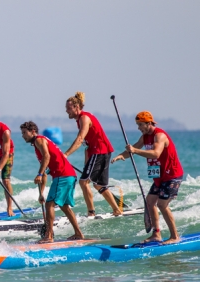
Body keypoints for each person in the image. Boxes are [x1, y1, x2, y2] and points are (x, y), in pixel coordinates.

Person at [112, 111, 184, 244]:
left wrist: (135, 151)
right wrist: (122, 155)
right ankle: (156, 234)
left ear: (149, 123)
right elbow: (133, 149)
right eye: (137, 125)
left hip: (171, 175)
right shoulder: (144, 137)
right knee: (150, 202)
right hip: (159, 176)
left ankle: (175, 236)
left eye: (140, 125)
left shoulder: (160, 136)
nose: (138, 128)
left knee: (162, 205)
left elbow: (155, 154)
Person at [20, 121, 84, 243]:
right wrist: (41, 192)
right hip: (69, 175)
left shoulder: (39, 140)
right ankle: (78, 233)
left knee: (49, 204)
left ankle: (49, 236)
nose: (23, 135)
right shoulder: (37, 144)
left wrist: (38, 173)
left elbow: (47, 157)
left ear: (33, 132)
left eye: (24, 133)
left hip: (63, 175)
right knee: (64, 206)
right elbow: (45, 171)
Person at [63, 91, 122, 217]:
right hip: (100, 151)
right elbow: (87, 144)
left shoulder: (84, 118)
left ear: (76, 107)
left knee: (83, 182)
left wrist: (66, 154)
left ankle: (91, 213)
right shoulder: (79, 119)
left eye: (68, 108)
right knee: (99, 185)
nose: (66, 111)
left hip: (100, 151)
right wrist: (87, 163)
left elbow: (80, 139)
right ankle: (117, 210)